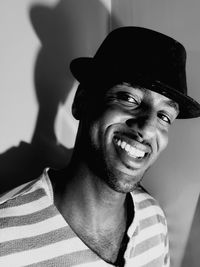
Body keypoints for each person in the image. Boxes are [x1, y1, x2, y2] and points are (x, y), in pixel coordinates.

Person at [0, 27, 200, 267]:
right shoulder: (7, 237)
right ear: (82, 101)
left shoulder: (154, 219)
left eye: (165, 116)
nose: (148, 128)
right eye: (129, 98)